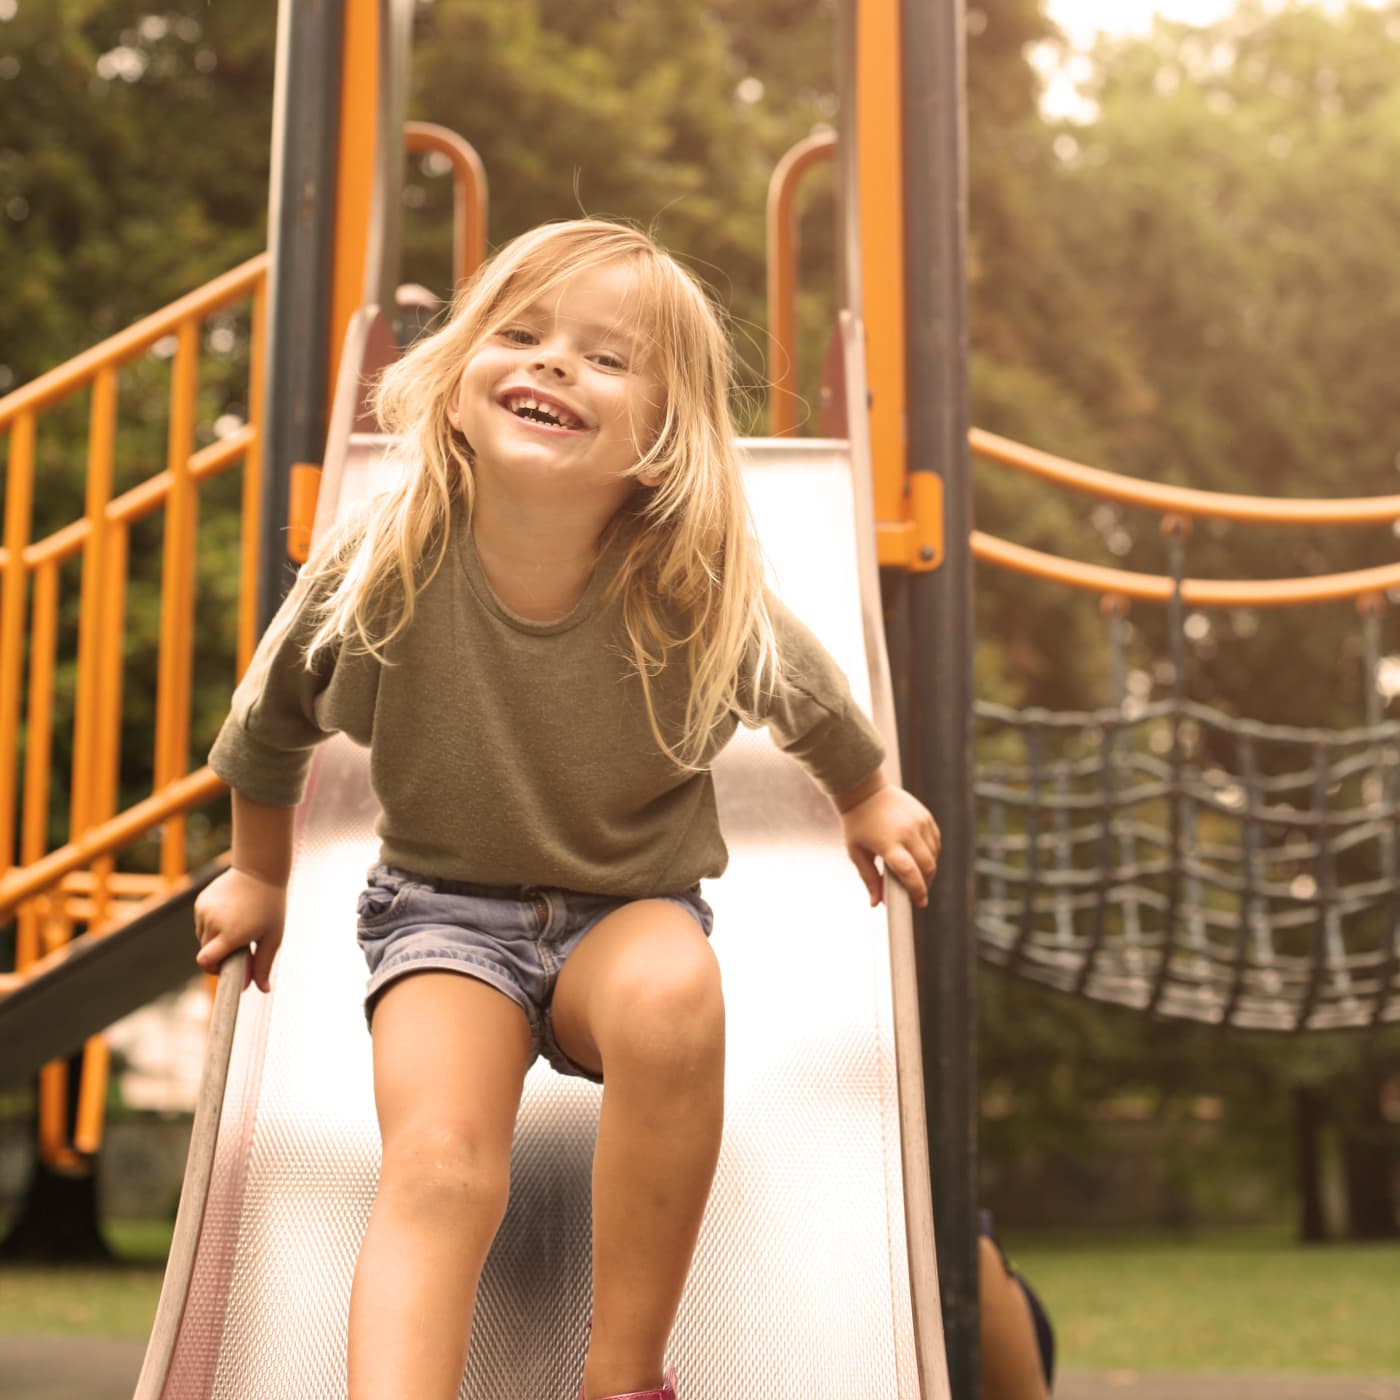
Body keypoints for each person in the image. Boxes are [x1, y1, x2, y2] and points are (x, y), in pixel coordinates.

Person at [192, 218, 941, 1400]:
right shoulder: (382, 564)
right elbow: (270, 718)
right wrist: (262, 875)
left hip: (623, 907)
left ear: (661, 438)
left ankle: (622, 1373)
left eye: (605, 357)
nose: (549, 364)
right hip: (440, 913)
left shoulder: (687, 585)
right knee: (439, 1164)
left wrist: (867, 795)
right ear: (453, 386)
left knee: (673, 992)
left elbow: (803, 690)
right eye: (522, 332)